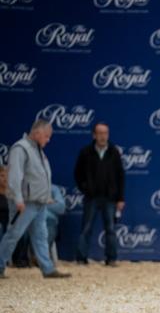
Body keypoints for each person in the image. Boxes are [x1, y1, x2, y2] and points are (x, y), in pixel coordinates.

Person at [0, 119, 70, 279]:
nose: (48, 139)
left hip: (39, 201)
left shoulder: (37, 149)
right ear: (37, 133)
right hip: (25, 202)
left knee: (41, 235)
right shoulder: (20, 148)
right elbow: (14, 176)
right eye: (46, 136)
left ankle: (48, 269)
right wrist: (18, 199)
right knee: (13, 235)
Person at [74, 122, 125, 266]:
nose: (103, 136)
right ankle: (81, 258)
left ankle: (111, 259)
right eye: (100, 133)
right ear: (94, 135)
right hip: (91, 197)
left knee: (110, 229)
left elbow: (120, 176)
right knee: (86, 228)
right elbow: (78, 174)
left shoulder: (114, 151)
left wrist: (120, 198)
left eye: (105, 133)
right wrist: (86, 188)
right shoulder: (86, 152)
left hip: (110, 198)